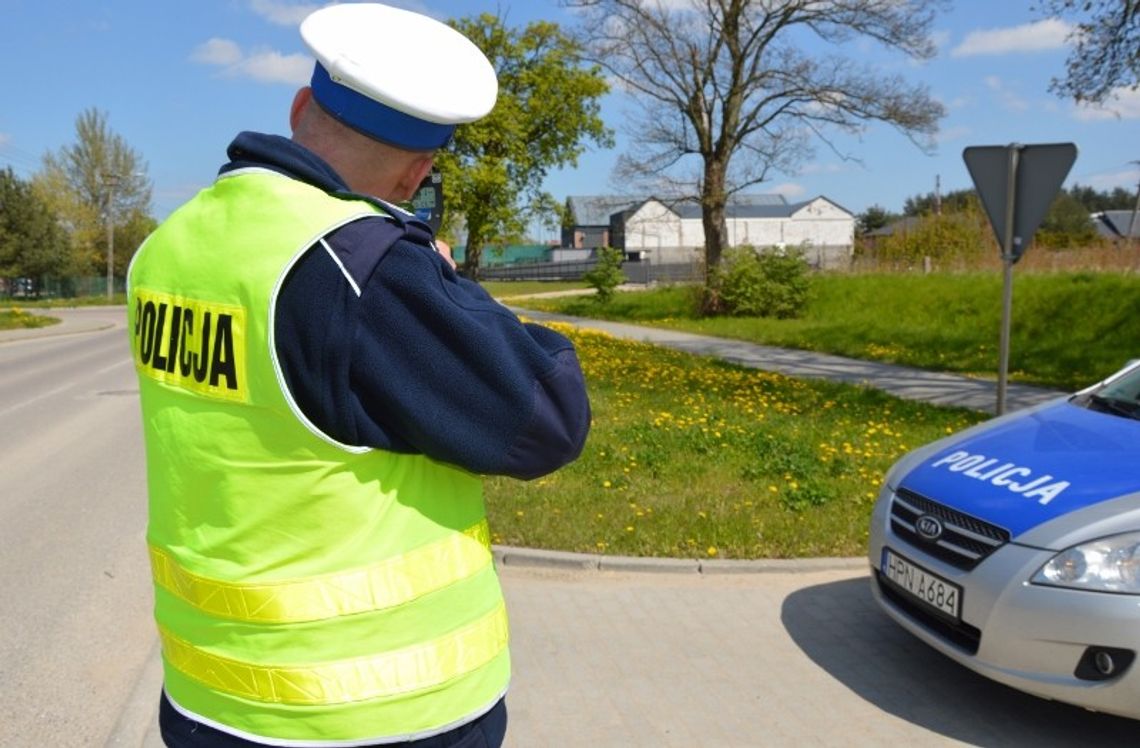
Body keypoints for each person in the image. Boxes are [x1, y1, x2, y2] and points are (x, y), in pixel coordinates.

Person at [126, 4, 591, 746]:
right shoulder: (366, 268)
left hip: (208, 697)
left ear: (300, 107)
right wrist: (457, 293)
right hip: (373, 713)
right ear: (419, 170)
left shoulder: (167, 246)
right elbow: (550, 422)